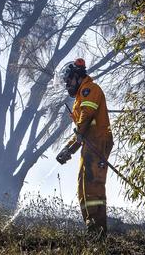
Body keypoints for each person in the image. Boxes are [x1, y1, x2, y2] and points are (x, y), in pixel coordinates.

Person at [56, 58, 113, 238]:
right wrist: (68, 149)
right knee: (83, 185)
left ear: (78, 77)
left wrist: (76, 139)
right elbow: (81, 129)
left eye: (68, 81)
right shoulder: (81, 96)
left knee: (92, 185)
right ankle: (92, 229)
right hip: (90, 143)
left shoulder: (90, 90)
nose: (67, 85)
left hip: (98, 142)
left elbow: (86, 118)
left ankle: (98, 232)